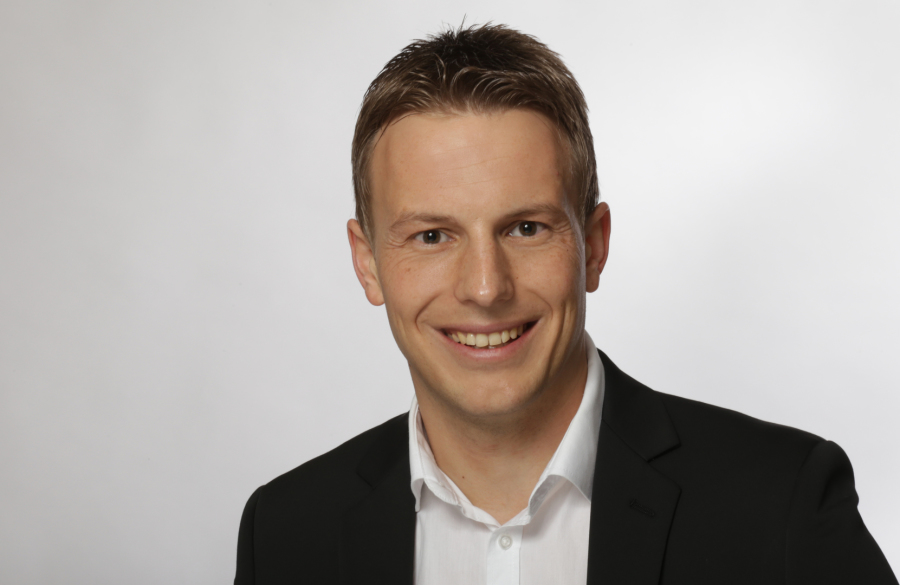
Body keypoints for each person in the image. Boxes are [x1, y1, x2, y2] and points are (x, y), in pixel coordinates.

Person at [233, 23, 896, 585]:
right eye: (432, 236)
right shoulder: (286, 534)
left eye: (525, 228)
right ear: (367, 262)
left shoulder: (781, 505)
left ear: (594, 246)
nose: (485, 288)